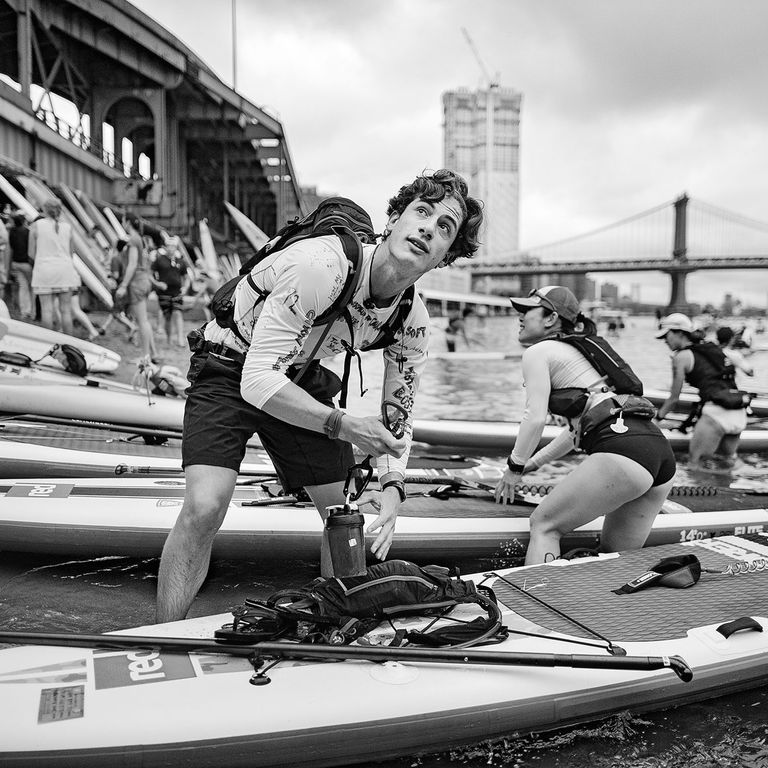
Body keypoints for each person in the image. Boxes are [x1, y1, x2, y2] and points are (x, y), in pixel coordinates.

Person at [156, 168, 483, 622]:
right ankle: (163, 634)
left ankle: (336, 623)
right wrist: (343, 424)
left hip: (299, 371)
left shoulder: (412, 321)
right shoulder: (321, 265)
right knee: (206, 505)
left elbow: (398, 413)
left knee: (341, 518)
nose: (429, 227)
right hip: (229, 365)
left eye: (444, 227)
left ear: (445, 257)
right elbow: (256, 382)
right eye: (421, 212)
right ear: (394, 221)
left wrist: (392, 486)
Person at [494, 285, 675, 565]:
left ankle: (531, 607)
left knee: (544, 525)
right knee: (614, 557)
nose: (519, 317)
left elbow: (535, 417)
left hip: (623, 453)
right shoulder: (580, 355)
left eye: (526, 310)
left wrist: (514, 468)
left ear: (550, 318)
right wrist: (534, 463)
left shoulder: (539, 351)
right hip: (658, 453)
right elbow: (576, 431)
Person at [655, 313, 749, 470]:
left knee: (695, 465)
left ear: (679, 333)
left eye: (667, 335)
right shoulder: (711, 348)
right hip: (738, 411)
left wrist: (656, 420)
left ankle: (699, 493)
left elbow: (673, 399)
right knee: (727, 463)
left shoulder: (681, 357)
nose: (664, 340)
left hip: (716, 415)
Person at [29, 199, 78, 334]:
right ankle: (69, 343)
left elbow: (31, 253)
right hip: (65, 270)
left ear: (44, 210)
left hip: (44, 269)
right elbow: (71, 252)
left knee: (47, 310)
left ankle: (48, 342)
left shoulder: (36, 226)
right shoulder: (68, 227)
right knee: (66, 310)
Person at [118, 215, 158, 361]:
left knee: (142, 321)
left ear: (127, 223)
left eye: (122, 220)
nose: (122, 223)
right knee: (143, 320)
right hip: (143, 281)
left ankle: (145, 356)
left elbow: (132, 264)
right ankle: (149, 354)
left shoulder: (134, 240)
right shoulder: (139, 239)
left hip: (137, 282)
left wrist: (123, 285)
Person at [152, 238, 190, 347]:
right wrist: (157, 283)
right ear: (165, 247)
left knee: (178, 313)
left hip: (177, 292)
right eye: (169, 246)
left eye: (173, 246)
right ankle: (169, 338)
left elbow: (186, 278)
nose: (171, 248)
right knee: (167, 316)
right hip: (163, 293)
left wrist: (185, 288)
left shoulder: (181, 261)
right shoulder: (159, 260)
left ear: (176, 247)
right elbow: (149, 274)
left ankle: (180, 339)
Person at [7, 213, 33, 320]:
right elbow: (31, 249)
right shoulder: (27, 232)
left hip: (16, 263)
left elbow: (11, 248)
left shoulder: (12, 232)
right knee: (32, 288)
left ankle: (24, 311)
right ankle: (32, 311)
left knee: (23, 287)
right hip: (26, 263)